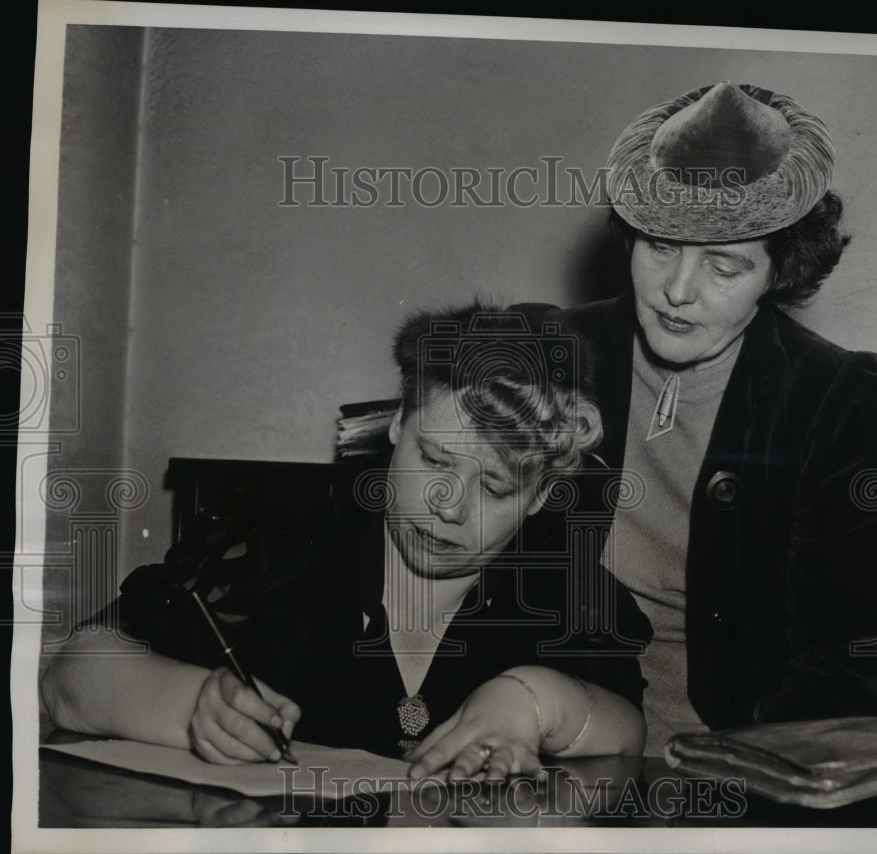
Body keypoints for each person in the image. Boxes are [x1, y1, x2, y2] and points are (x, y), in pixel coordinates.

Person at [41, 302, 652, 780]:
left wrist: (534, 699)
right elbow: (72, 674)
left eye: (494, 487)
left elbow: (628, 732)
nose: (450, 507)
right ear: (399, 423)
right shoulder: (278, 545)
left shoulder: (567, 591)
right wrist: (191, 705)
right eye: (435, 460)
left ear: (542, 495)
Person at [552, 81, 877, 755]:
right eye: (659, 246)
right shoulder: (548, 352)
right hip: (557, 733)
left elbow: (845, 659)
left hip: (741, 754)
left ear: (779, 273)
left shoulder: (840, 396)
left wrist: (741, 775)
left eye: (723, 266)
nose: (677, 291)